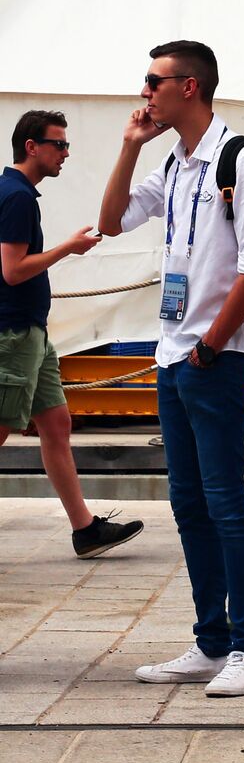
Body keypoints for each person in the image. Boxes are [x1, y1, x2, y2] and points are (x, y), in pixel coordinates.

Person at [98, 41, 244, 696]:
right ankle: (210, 642)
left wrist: (210, 344)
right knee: (188, 503)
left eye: (154, 81)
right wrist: (130, 146)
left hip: (216, 356)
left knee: (225, 501)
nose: (145, 91)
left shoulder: (241, 158)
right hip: (172, 354)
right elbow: (111, 221)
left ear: (190, 87)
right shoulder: (174, 162)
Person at [0, 111, 144, 558]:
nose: (65, 153)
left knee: (57, 425)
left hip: (32, 334)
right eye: (58, 144)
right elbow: (12, 271)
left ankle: (85, 530)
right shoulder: (17, 197)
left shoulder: (16, 192)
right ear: (32, 147)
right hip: (14, 333)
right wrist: (68, 247)